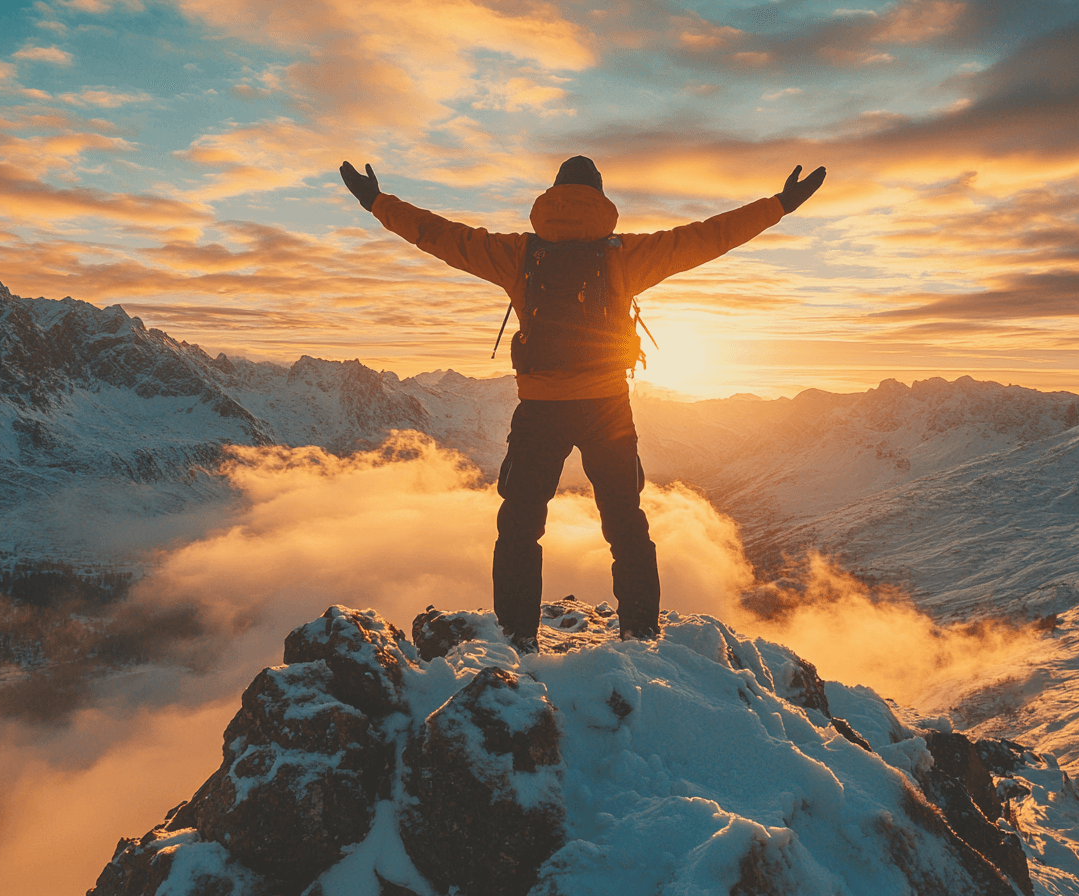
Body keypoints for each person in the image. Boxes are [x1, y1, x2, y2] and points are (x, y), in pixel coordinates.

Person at [340, 155, 825, 653]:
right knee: (625, 523)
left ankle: (516, 636)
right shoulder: (624, 256)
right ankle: (639, 632)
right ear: (600, 199)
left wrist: (376, 201)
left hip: (539, 410)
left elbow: (436, 233)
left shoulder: (517, 254)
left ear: (551, 197)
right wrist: (780, 204)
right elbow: (710, 236)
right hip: (607, 408)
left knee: (520, 525)